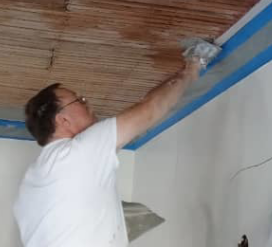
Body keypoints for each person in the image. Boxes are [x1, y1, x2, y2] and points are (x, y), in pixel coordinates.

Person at [14, 57, 204, 246]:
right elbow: (149, 109)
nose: (88, 104)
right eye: (79, 101)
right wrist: (190, 70)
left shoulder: (35, 176)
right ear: (63, 120)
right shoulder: (78, 152)